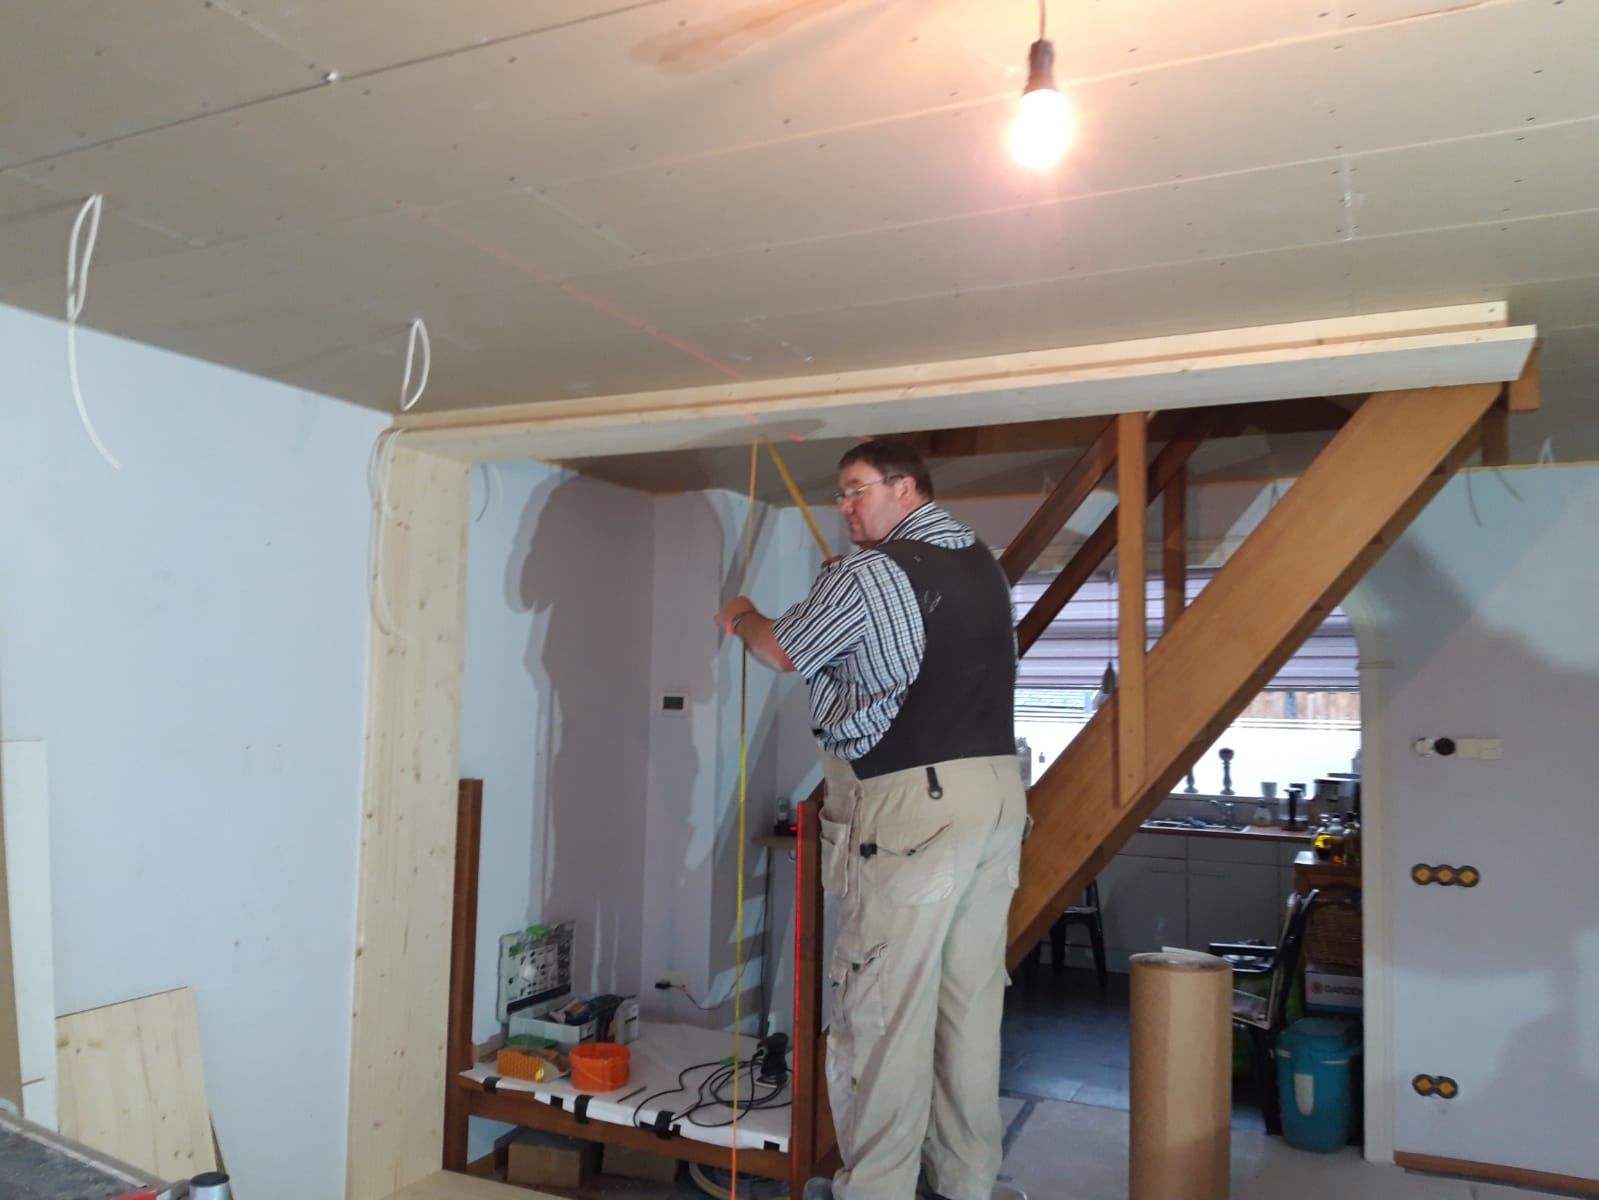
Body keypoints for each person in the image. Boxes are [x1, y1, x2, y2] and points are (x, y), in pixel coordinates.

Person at [715, 437, 1028, 1200]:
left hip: (912, 804)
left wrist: (741, 614)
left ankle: (877, 1190)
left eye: (857, 490)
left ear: (906, 489)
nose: (844, 507)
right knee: (966, 1004)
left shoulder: (870, 572)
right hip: (994, 796)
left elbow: (783, 650)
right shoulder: (979, 565)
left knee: (881, 1006)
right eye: (841, 494)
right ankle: (963, 1184)